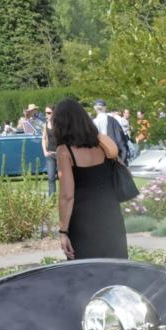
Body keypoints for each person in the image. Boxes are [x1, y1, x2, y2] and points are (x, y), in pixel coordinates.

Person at [52, 97, 129, 260]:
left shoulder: (64, 151)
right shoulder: (102, 143)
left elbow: (67, 196)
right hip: (111, 217)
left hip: (84, 224)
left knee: (87, 275)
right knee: (117, 272)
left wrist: (63, 232)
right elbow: (117, 157)